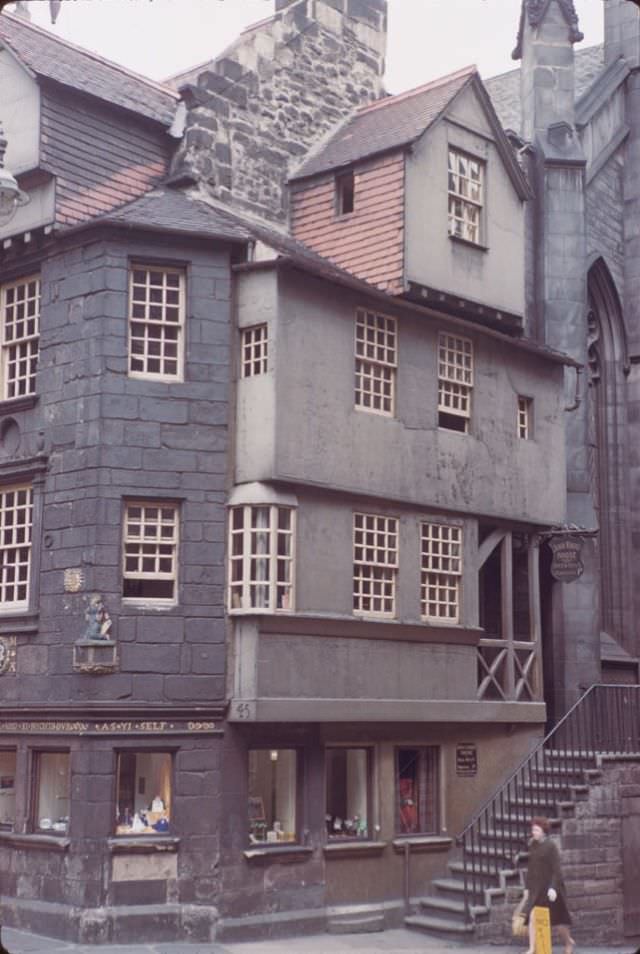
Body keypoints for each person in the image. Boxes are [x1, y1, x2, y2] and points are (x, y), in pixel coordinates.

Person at [523, 815, 575, 954]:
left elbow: (557, 870)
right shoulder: (532, 844)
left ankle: (568, 942)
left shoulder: (551, 846)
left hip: (552, 890)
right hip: (537, 889)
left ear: (543, 831)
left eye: (537, 830)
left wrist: (553, 888)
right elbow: (531, 868)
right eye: (533, 830)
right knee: (533, 917)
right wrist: (527, 888)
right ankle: (532, 948)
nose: (534, 833)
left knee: (558, 923)